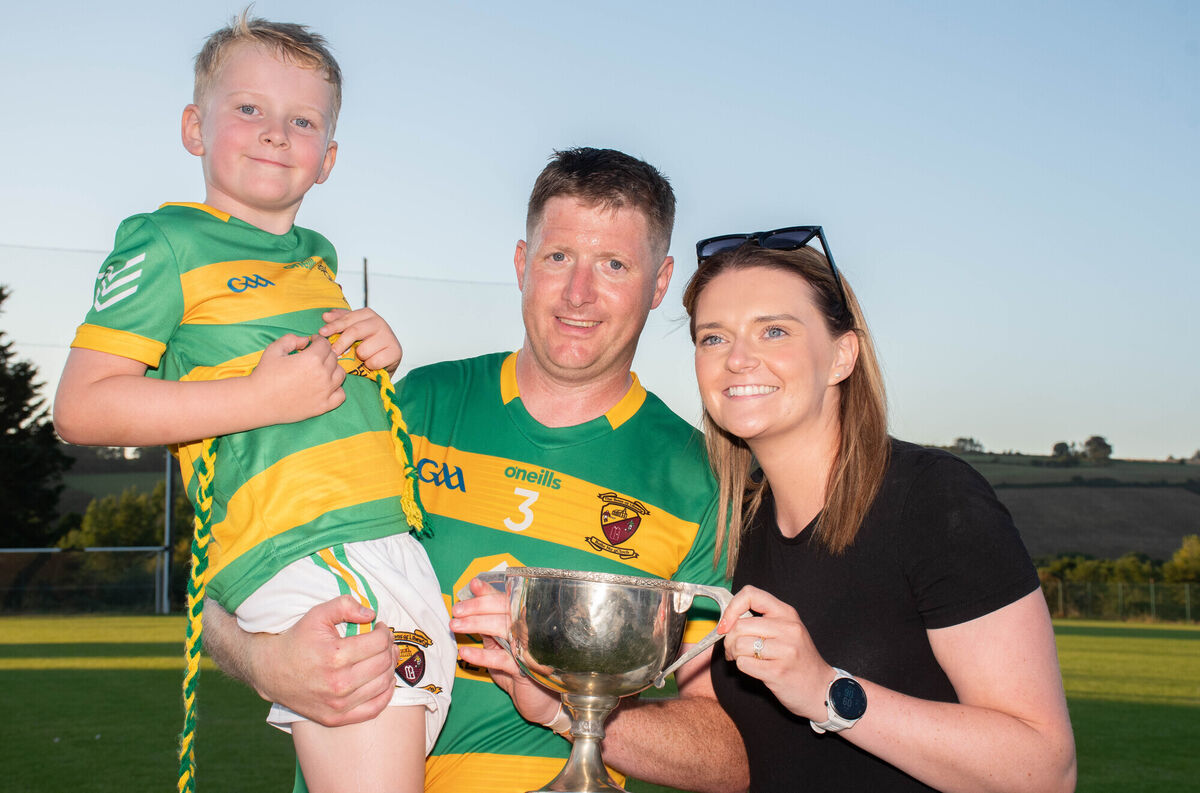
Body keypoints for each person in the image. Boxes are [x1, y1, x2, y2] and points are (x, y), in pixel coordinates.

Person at [203, 147, 750, 793]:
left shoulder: (700, 481)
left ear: (659, 283)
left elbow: (726, 754)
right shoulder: (410, 405)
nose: (579, 293)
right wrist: (267, 660)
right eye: (558, 257)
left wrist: (563, 704)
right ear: (523, 263)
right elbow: (222, 589)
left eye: (613, 264)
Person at [52, 13, 453, 793]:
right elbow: (83, 407)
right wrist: (258, 395)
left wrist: (378, 358)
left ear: (327, 158)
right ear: (193, 128)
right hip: (308, 551)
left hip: (387, 548)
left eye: (302, 120)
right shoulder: (165, 242)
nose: (276, 133)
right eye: (248, 109)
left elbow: (322, 408)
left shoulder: (318, 263)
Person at [680, 227, 1077, 792]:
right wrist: (567, 704)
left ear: (842, 355)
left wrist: (827, 691)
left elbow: (1044, 772)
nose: (739, 359)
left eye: (773, 331)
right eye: (713, 338)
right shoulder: (725, 526)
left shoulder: (934, 500)